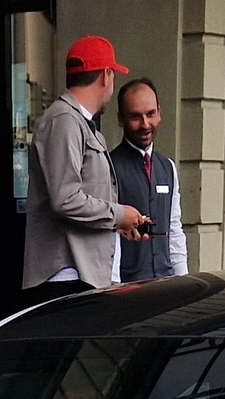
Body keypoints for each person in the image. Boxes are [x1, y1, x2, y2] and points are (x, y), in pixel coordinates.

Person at [21, 36, 148, 297]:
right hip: (68, 276)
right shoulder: (64, 120)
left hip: (81, 274)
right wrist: (118, 215)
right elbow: (65, 199)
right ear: (105, 75)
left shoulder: (74, 121)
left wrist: (114, 224)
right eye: (113, 76)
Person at [111, 79, 188, 284]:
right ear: (121, 119)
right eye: (136, 117)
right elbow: (106, 237)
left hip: (166, 283)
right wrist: (113, 286)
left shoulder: (168, 167)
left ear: (159, 113)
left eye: (150, 114)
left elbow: (174, 230)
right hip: (126, 286)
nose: (145, 124)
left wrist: (184, 281)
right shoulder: (108, 167)